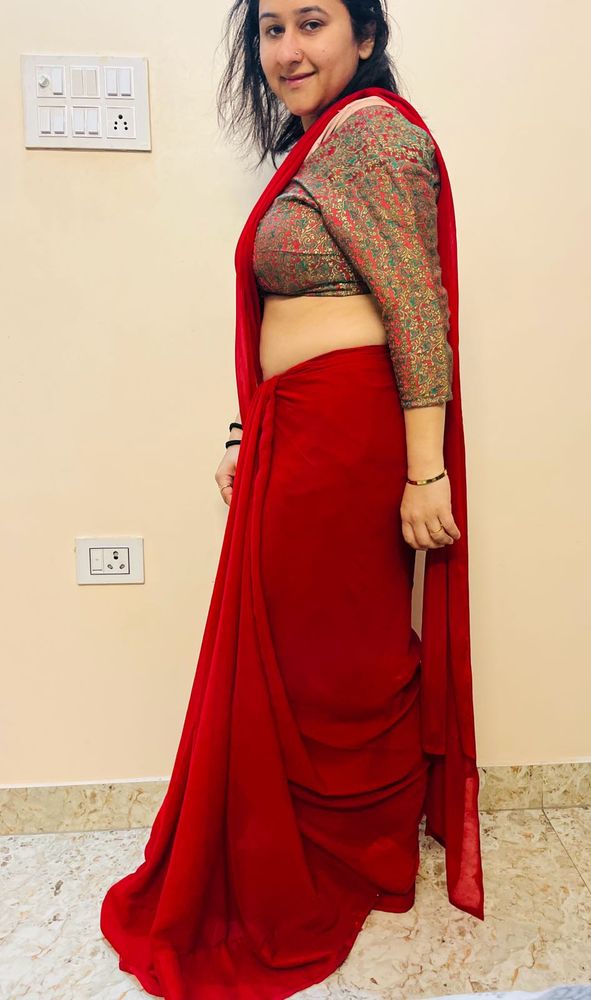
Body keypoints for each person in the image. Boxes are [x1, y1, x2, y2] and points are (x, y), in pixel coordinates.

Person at [99, 1, 484, 997]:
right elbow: (289, 310)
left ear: (365, 36)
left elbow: (416, 308)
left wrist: (424, 470)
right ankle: (318, 844)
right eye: (270, 29)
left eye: (311, 23)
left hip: (347, 437)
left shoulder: (374, 136)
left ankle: (351, 852)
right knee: (299, 650)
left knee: (329, 656)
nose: (286, 50)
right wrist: (248, 430)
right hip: (297, 430)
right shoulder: (324, 144)